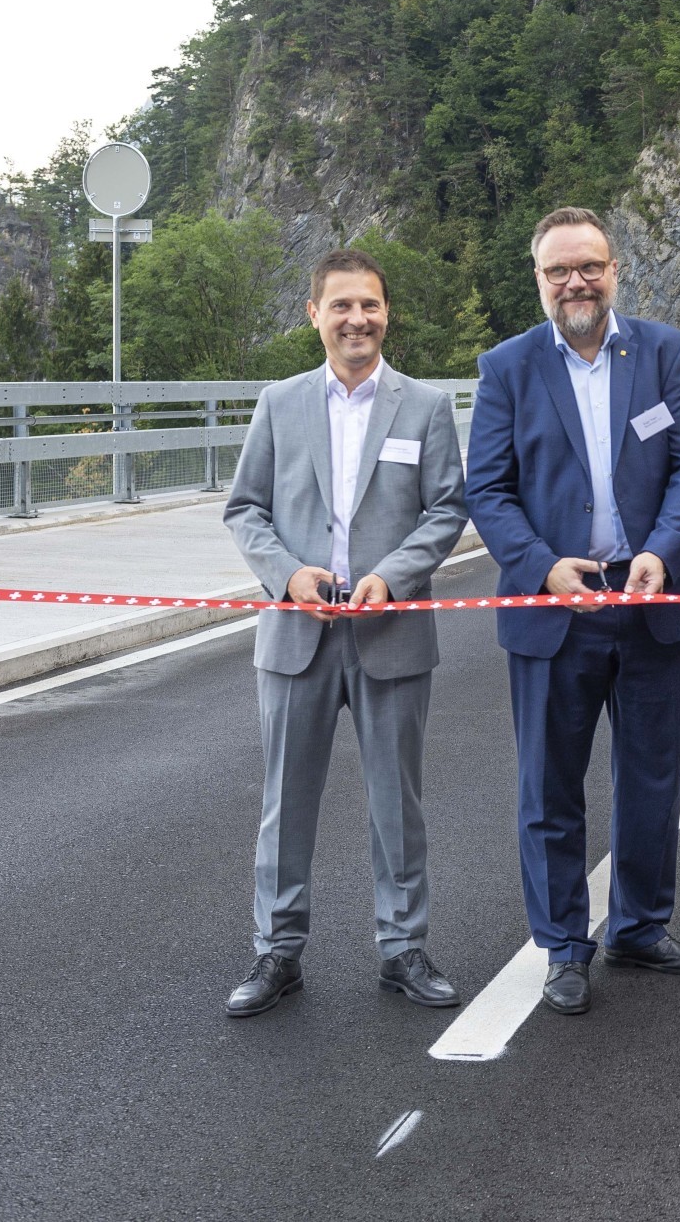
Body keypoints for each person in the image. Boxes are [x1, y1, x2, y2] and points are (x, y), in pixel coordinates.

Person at [464, 206, 680, 1017]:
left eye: (590, 266)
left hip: (653, 598)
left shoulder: (665, 351)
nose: (576, 281)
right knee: (550, 787)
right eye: (558, 270)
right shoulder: (506, 368)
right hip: (555, 609)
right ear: (538, 280)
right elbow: (488, 488)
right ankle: (565, 946)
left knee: (652, 776)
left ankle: (641, 926)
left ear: (615, 269)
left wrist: (663, 548)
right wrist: (542, 567)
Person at [221, 248, 468, 1017]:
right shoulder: (279, 402)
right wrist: (287, 574)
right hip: (298, 632)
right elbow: (245, 509)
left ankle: (403, 949)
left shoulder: (424, 406)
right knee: (285, 801)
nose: (356, 319)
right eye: (341, 306)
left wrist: (391, 575)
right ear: (315, 315)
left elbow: (446, 509)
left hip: (389, 631)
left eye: (369, 305)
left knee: (399, 802)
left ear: (386, 313)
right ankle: (277, 952)